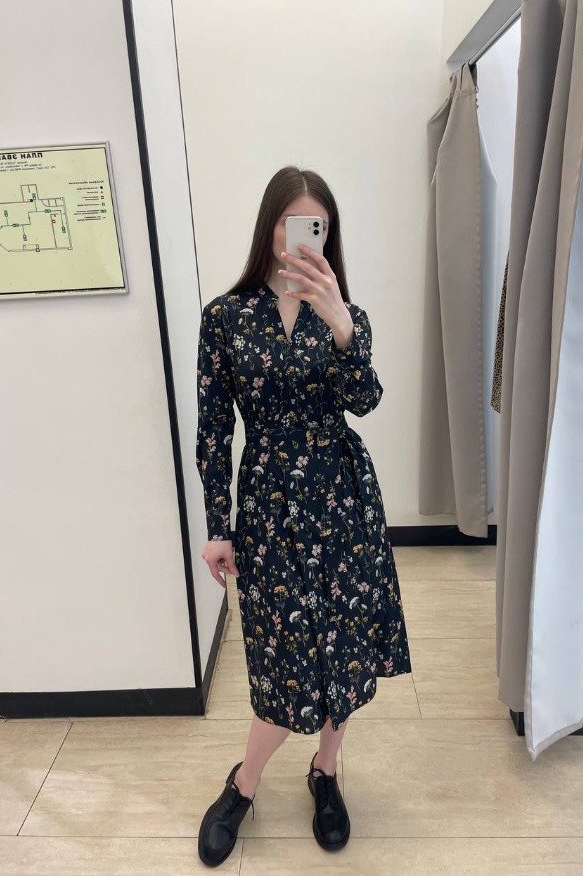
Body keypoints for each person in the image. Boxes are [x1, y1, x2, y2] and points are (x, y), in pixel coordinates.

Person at [195, 166, 411, 867]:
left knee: (340, 652)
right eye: (294, 224)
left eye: (318, 227)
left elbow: (365, 401)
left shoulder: (345, 314)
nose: (304, 240)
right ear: (271, 228)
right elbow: (213, 431)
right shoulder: (225, 318)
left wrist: (343, 325)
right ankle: (245, 782)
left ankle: (326, 771)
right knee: (281, 660)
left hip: (342, 499)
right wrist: (219, 524)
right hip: (267, 506)